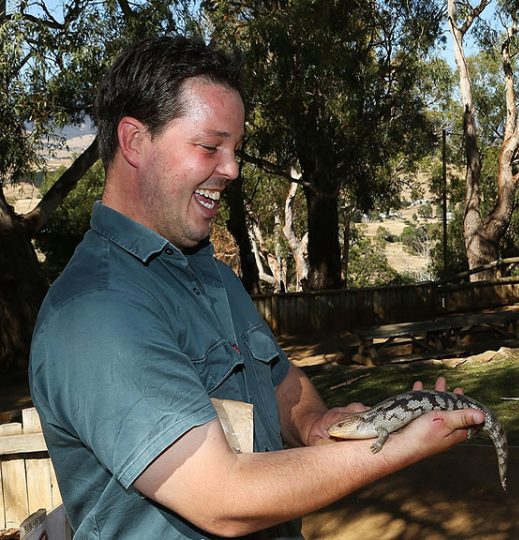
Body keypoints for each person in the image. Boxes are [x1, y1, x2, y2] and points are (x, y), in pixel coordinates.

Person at [28, 36, 484, 539]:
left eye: (235, 150)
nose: (232, 169)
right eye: (209, 146)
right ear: (135, 141)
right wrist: (400, 444)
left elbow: (280, 382)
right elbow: (224, 498)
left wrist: (313, 424)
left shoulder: (210, 275)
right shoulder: (97, 311)